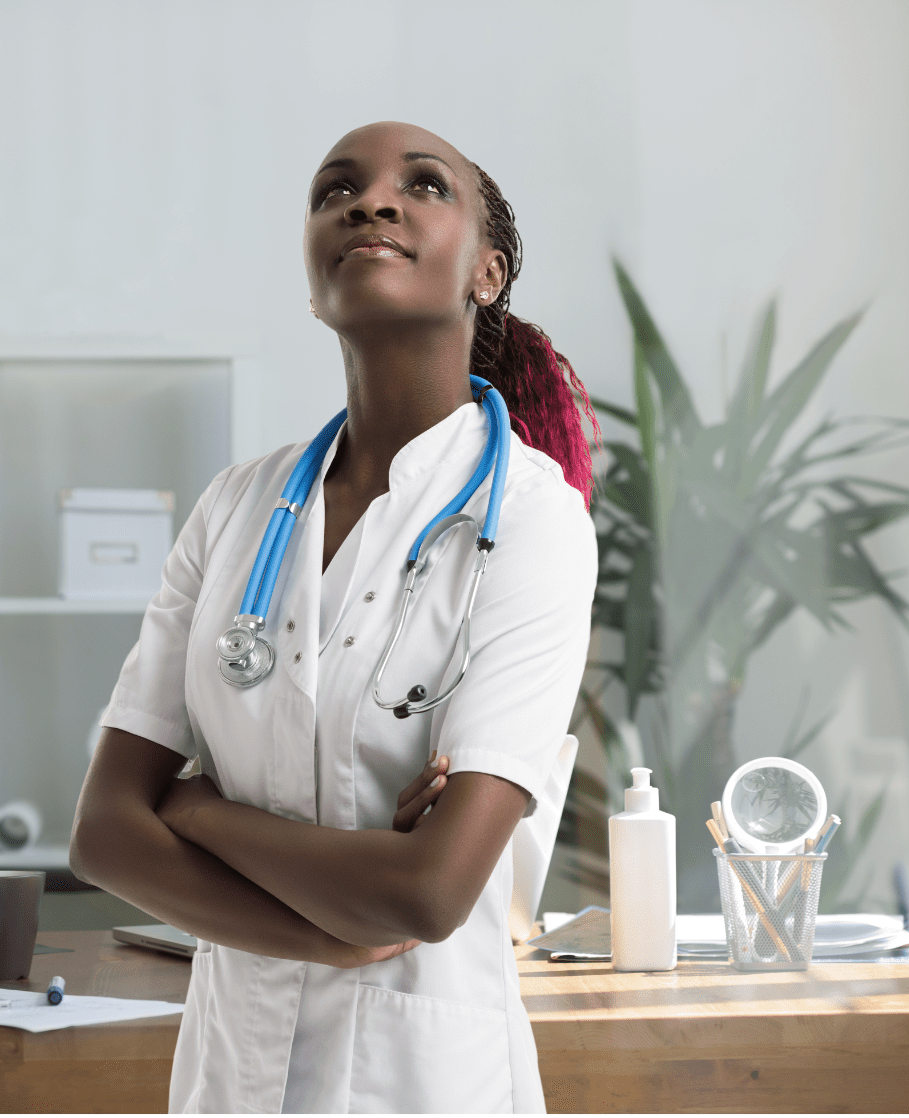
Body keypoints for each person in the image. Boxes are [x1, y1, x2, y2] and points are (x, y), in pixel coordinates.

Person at [69, 120, 598, 1115]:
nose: (371, 201)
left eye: (424, 186)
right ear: (314, 290)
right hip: (232, 1073)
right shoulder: (236, 506)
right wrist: (328, 929)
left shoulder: (531, 520)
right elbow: (102, 833)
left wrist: (192, 808)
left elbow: (431, 892)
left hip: (424, 1082)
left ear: (486, 273)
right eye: (335, 190)